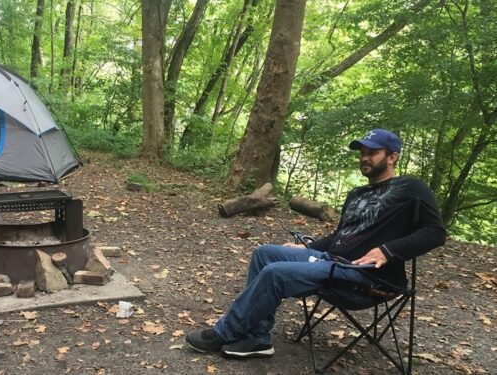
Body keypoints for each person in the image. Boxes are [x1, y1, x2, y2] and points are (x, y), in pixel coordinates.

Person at [186, 128, 446, 359]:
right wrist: (310, 249)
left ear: (392, 156)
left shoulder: (411, 187)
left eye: (372, 152)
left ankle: (223, 333)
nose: (364, 158)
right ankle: (258, 339)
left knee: (275, 273)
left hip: (365, 275)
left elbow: (435, 233)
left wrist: (388, 251)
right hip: (331, 261)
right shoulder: (357, 194)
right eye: (362, 152)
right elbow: (341, 237)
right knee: (264, 254)